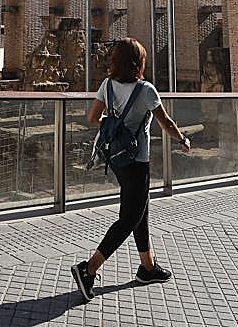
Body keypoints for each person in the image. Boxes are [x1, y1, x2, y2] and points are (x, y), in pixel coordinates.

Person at [70, 38, 191, 302]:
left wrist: (113, 121)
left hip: (115, 157)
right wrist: (182, 140)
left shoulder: (107, 85)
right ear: (139, 62)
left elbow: (92, 119)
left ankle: (148, 268)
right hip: (137, 161)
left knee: (140, 210)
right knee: (129, 218)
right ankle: (88, 269)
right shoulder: (146, 89)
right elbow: (165, 122)